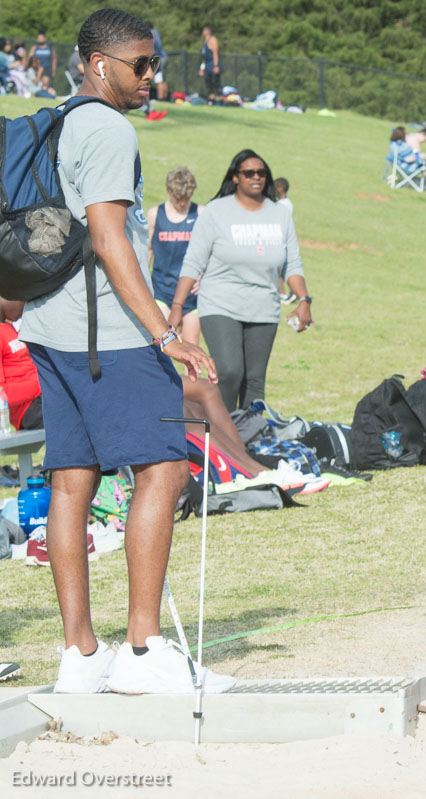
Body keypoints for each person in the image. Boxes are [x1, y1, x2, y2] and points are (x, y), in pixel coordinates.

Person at [19, 8, 233, 695]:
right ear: (98, 63)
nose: (152, 75)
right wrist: (166, 334)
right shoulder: (107, 128)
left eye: (156, 62)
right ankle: (142, 649)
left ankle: (79, 655)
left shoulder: (57, 120)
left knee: (70, 481)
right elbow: (110, 240)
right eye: (140, 64)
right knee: (166, 467)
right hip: (107, 333)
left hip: (50, 329)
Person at [172, 149, 312, 411]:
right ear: (236, 177)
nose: (256, 177)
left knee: (255, 381)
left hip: (264, 307)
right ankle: (220, 438)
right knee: (228, 371)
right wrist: (178, 307)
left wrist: (304, 300)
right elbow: (193, 261)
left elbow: (292, 264)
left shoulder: (280, 215)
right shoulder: (216, 211)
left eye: (261, 173)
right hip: (220, 303)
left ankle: (250, 440)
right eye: (249, 173)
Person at [148, 166, 204, 345]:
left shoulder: (201, 214)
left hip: (191, 295)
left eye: (186, 199)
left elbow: (211, 252)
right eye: (178, 199)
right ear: (168, 192)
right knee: (160, 343)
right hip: (162, 291)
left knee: (191, 347)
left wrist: (205, 276)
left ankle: (190, 375)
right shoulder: (155, 215)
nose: (182, 203)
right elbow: (148, 250)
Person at [0, 320, 43, 430]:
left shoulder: (9, 327)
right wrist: (42, 384)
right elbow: (1, 394)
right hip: (28, 410)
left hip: (40, 396)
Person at [198, 25, 219, 103]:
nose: (203, 32)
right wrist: (202, 68)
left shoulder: (213, 40)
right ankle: (211, 101)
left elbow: (215, 54)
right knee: (208, 84)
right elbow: (204, 57)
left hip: (212, 64)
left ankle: (222, 101)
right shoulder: (205, 41)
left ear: (207, 31)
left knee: (216, 83)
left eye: (204, 30)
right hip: (207, 65)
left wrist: (216, 66)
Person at [148, 21, 166, 101]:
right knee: (160, 78)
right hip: (162, 56)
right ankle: (163, 99)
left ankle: (147, 99)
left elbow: (152, 42)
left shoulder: (150, 33)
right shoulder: (156, 32)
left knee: (147, 78)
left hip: (155, 58)